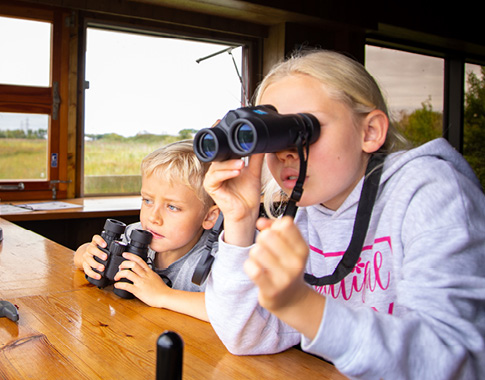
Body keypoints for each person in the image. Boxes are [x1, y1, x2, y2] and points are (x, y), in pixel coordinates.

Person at [203, 49, 485, 379]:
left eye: (305, 128)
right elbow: (246, 337)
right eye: (273, 133)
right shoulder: (297, 214)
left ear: (370, 132)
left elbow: (458, 362)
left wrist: (302, 306)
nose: (286, 151)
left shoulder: (431, 193)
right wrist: (240, 220)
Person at [74, 140, 220, 320]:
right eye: (148, 201)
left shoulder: (215, 258)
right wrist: (88, 257)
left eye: (172, 207)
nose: (153, 218)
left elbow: (231, 312)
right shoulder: (137, 234)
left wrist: (162, 295)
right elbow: (80, 252)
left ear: (209, 217)